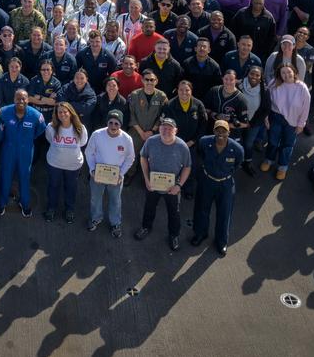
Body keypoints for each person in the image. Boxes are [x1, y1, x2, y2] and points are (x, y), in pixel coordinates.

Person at [134, 117, 191, 251]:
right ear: (159, 129)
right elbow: (143, 157)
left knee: (174, 213)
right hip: (153, 184)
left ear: (175, 131)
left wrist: (179, 185)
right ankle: (146, 227)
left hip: (172, 187)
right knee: (149, 207)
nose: (166, 130)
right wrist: (146, 179)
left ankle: (174, 235)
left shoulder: (182, 146)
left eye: (170, 128)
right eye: (163, 127)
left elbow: (187, 167)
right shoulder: (151, 141)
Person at [190, 119, 244, 256]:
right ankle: (200, 234)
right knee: (202, 209)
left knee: (224, 214)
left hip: (225, 184)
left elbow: (237, 164)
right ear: (213, 131)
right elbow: (200, 155)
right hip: (207, 181)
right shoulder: (204, 142)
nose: (221, 133)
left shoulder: (237, 149)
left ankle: (221, 242)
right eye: (218, 130)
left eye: (224, 131)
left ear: (229, 132)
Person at [85, 109, 135, 237]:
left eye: (116, 123)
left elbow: (130, 158)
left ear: (121, 125)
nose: (113, 126)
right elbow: (89, 152)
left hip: (116, 177)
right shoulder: (97, 134)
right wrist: (92, 169)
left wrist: (121, 174)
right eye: (111, 122)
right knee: (95, 198)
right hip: (97, 174)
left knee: (115, 200)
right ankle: (96, 217)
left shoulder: (127, 138)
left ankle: (115, 222)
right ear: (107, 122)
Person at [0, 90, 45, 217]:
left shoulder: (36, 115)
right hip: (8, 149)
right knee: (6, 176)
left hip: (26, 150)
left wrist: (27, 139)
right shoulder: (4, 112)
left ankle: (25, 203)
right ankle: (2, 203)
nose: (21, 101)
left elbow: (40, 129)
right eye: (18, 99)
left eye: (23, 99)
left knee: (24, 177)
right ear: (14, 99)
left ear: (28, 100)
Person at [262, 64, 310, 180]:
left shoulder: (302, 87)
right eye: (283, 73)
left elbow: (305, 108)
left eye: (289, 72)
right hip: (275, 117)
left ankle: (282, 167)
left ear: (294, 72)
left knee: (287, 145)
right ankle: (269, 160)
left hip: (293, 121)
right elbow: (267, 102)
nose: (286, 75)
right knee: (273, 142)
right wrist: (266, 117)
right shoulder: (274, 83)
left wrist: (301, 124)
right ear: (279, 74)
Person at [44, 101, 87, 223]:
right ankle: (51, 208)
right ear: (56, 114)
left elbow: (83, 143)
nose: (62, 114)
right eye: (59, 112)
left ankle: (69, 210)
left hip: (73, 166)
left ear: (71, 112)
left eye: (65, 111)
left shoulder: (80, 128)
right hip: (54, 163)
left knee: (71, 188)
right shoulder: (51, 127)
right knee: (53, 186)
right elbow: (50, 140)